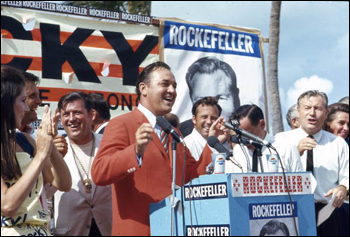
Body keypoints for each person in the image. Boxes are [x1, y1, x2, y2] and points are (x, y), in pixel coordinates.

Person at [91, 62, 225, 236]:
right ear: (143, 88)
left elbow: (191, 176)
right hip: (139, 230)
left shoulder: (173, 132)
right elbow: (100, 173)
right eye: (165, 84)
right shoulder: (122, 124)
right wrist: (135, 151)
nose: (172, 90)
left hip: (173, 229)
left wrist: (211, 143)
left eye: (174, 86)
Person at [1, 65, 71, 236]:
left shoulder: (25, 140)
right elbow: (7, 205)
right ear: (6, 103)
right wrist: (40, 156)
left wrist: (49, 144)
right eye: (23, 101)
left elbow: (63, 183)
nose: (26, 109)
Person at [275, 90, 349, 236]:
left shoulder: (338, 143)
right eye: (307, 108)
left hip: (327, 210)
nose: (312, 113)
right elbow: (274, 174)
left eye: (318, 108)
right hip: (293, 210)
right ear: (298, 111)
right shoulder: (282, 140)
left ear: (326, 112)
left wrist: (343, 188)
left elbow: (347, 174)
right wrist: (296, 152)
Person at [51, 92, 112, 236]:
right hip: (71, 231)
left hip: (108, 228)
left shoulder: (109, 143)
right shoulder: (54, 149)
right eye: (66, 114)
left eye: (77, 113)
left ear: (91, 115)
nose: (71, 119)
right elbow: (45, 193)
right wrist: (52, 157)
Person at [225, 104, 302, 173]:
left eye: (248, 134)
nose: (244, 140)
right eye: (240, 135)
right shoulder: (238, 150)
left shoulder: (286, 148)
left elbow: (300, 183)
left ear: (262, 124)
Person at [180, 56, 241, 137]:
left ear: (235, 97)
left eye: (220, 98)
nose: (212, 109)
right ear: (191, 98)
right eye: (202, 100)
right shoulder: (180, 137)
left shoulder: (247, 135)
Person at [323, 102, 349, 236]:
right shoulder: (313, 144)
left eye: (348, 125)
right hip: (323, 211)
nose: (345, 128)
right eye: (341, 123)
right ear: (328, 123)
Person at [184, 96, 226, 161]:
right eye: (204, 117)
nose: (209, 122)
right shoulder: (187, 144)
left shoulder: (221, 143)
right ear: (194, 119)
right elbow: (198, 170)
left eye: (213, 118)